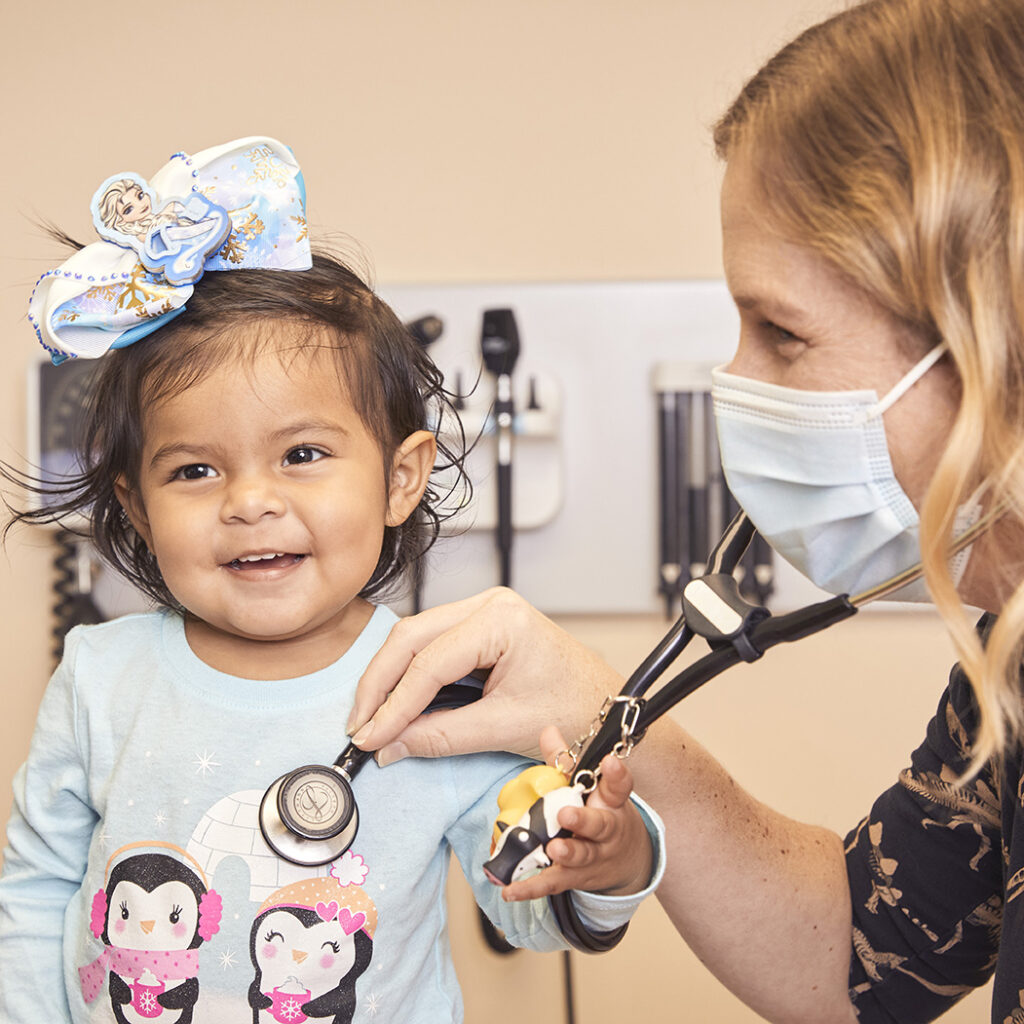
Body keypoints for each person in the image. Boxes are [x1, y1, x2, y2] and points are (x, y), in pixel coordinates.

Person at [344, 1, 1024, 1021]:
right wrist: (599, 706)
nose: (737, 378)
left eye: (782, 333)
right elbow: (863, 958)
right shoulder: (1006, 656)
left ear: (995, 330)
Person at [0, 136, 664, 1024]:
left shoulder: (438, 681)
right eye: (193, 471)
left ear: (400, 477)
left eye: (302, 455)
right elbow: (38, 892)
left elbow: (529, 901)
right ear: (136, 503)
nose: (249, 502)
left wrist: (604, 860)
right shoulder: (99, 676)